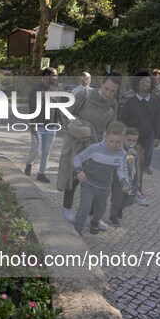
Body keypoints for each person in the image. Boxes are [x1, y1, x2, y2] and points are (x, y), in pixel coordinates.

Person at [57, 72, 122, 230]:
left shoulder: (113, 104)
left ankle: (94, 215)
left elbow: (111, 128)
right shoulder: (84, 95)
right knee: (73, 176)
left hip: (97, 146)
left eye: (113, 91)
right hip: (77, 144)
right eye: (106, 89)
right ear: (101, 83)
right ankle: (67, 207)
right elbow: (64, 113)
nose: (109, 93)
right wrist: (76, 128)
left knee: (96, 180)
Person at [72, 121, 129, 235]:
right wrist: (79, 170)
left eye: (118, 142)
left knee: (100, 210)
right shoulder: (95, 148)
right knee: (85, 207)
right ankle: (76, 232)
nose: (114, 144)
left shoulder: (122, 153)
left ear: (123, 139)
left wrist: (124, 182)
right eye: (111, 141)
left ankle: (94, 222)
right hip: (88, 183)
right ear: (106, 136)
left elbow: (122, 170)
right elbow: (78, 158)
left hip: (104, 187)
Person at [119, 71, 160, 206]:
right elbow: (123, 120)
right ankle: (137, 191)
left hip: (148, 137)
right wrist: (123, 138)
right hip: (133, 139)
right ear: (137, 84)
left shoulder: (154, 101)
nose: (145, 84)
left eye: (148, 82)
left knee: (137, 165)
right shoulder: (131, 102)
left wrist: (157, 136)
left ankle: (132, 188)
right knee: (139, 163)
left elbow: (158, 119)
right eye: (142, 82)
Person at [24, 67, 60, 183]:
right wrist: (33, 124)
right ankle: (29, 164)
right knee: (36, 149)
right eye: (54, 75)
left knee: (46, 151)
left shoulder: (55, 90)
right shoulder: (36, 90)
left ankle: (41, 173)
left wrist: (60, 122)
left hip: (51, 126)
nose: (56, 77)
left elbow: (58, 107)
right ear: (47, 76)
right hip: (38, 126)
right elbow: (32, 109)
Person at [108, 127, 140, 227]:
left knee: (129, 200)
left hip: (130, 180)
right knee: (117, 199)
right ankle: (113, 216)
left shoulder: (134, 153)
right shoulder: (118, 150)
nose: (132, 143)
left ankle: (120, 209)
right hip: (119, 180)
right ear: (123, 138)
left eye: (134, 141)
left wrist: (137, 180)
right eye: (129, 140)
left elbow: (136, 168)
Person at [146, 68, 160, 174]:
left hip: (153, 123)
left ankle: (146, 166)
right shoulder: (147, 88)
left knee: (150, 146)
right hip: (142, 121)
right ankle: (132, 165)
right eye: (158, 78)